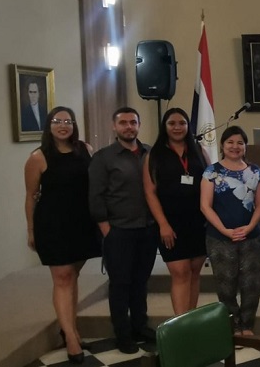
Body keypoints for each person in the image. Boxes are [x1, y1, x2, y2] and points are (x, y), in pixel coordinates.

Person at [24, 106, 100, 364]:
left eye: (68, 121)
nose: (63, 125)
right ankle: (70, 337)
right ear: (49, 126)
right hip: (53, 225)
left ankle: (71, 327)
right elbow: (31, 196)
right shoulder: (38, 157)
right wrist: (31, 230)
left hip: (82, 224)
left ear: (74, 124)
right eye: (57, 121)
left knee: (72, 276)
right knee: (63, 278)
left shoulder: (86, 150)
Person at [89, 107, 158, 354]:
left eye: (133, 122)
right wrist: (107, 229)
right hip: (118, 230)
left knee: (141, 282)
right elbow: (95, 196)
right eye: (123, 123)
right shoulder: (103, 157)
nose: (129, 127)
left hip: (148, 229)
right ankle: (123, 333)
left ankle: (140, 326)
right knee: (120, 284)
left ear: (139, 125)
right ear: (114, 126)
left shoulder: (150, 152)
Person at [200, 126, 260, 336]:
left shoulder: (255, 171)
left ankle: (247, 325)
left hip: (251, 237)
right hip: (220, 237)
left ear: (245, 146)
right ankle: (232, 325)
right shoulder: (212, 171)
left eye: (240, 142)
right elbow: (205, 206)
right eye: (230, 142)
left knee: (251, 283)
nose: (235, 147)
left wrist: (249, 227)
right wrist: (226, 231)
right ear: (222, 145)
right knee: (226, 284)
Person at [143, 108, 209, 316]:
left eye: (182, 123)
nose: (177, 127)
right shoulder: (153, 155)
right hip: (170, 223)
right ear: (165, 126)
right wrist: (163, 224)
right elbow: (150, 193)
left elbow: (210, 185)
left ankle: (192, 319)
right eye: (172, 123)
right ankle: (181, 325)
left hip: (198, 223)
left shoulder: (199, 151)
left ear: (188, 126)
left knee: (194, 273)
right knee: (180, 273)